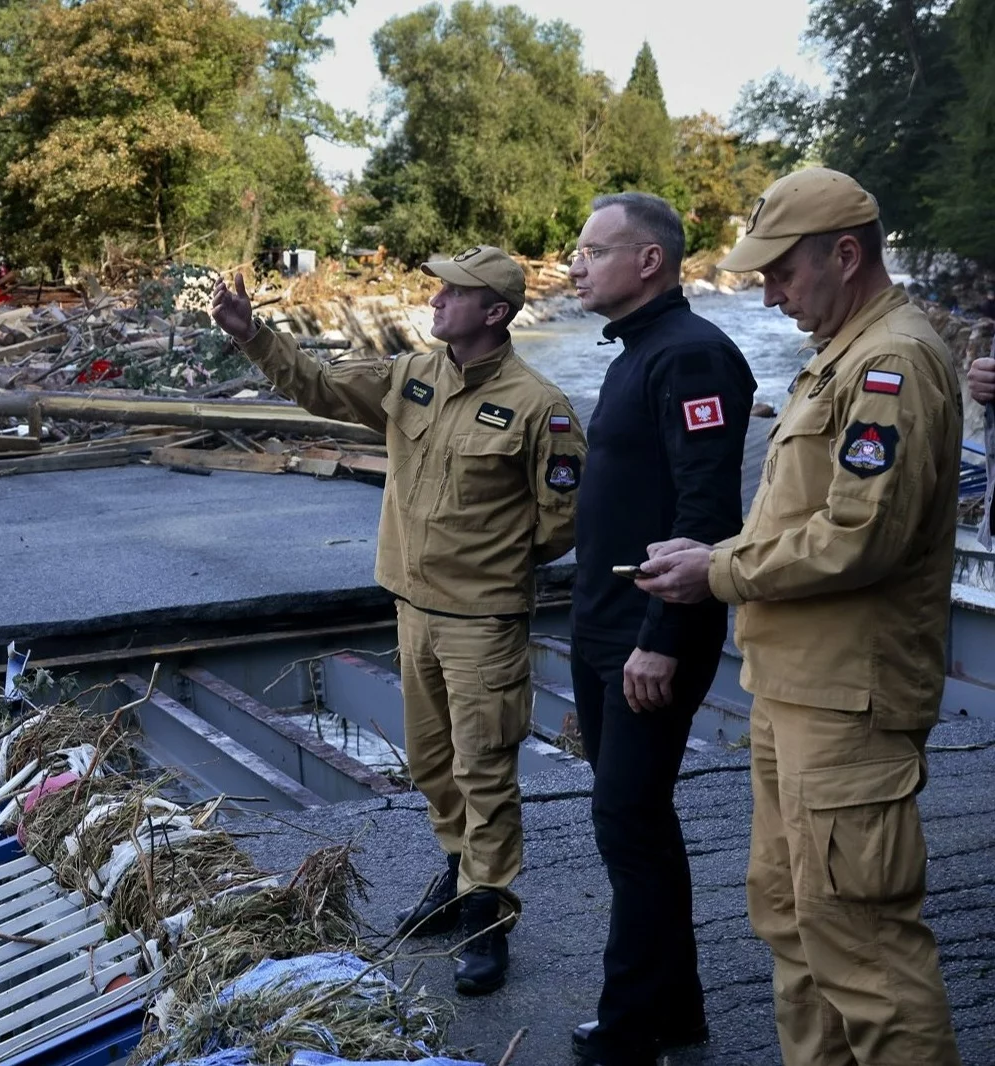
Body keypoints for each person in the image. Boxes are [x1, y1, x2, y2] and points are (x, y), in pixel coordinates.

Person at [637, 167, 962, 1066]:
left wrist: (718, 569)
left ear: (845, 255)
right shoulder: (842, 353)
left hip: (847, 703)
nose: (768, 293)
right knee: (792, 923)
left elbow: (860, 535)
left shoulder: (891, 361)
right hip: (794, 689)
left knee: (861, 946)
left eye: (780, 273)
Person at [210, 247, 585, 996]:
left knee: (485, 767)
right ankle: (457, 872)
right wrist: (254, 336)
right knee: (431, 762)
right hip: (411, 608)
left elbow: (559, 522)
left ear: (495, 312)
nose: (438, 298)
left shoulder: (540, 405)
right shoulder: (411, 374)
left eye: (456, 292)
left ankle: (487, 915)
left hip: (482, 618)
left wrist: (485, 566)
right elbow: (318, 388)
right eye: (440, 287)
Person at [564, 193, 756, 1066]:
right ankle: (673, 1011)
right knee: (632, 824)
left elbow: (705, 513)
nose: (574, 265)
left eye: (593, 251)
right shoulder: (636, 352)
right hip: (605, 627)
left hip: (646, 634)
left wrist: (662, 639)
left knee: (627, 822)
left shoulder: (693, 357)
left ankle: (631, 1026)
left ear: (648, 263)